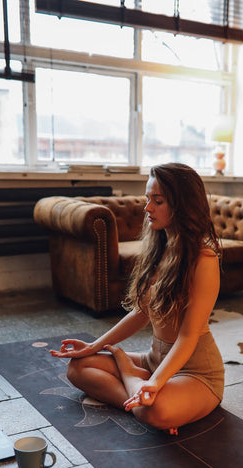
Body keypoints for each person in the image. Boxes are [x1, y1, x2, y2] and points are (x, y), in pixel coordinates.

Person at [50, 163, 225, 434]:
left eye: (158, 201)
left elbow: (188, 337)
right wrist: (93, 347)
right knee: (78, 367)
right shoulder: (160, 249)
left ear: (183, 205)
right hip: (154, 359)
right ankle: (140, 397)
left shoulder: (205, 259)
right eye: (147, 199)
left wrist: (152, 382)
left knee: (157, 409)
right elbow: (141, 313)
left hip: (196, 373)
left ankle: (138, 385)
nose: (147, 208)